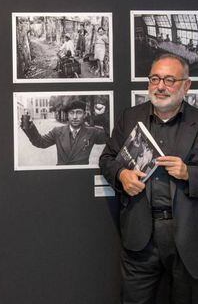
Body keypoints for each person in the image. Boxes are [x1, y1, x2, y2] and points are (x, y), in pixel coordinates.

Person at [99, 53, 198, 303]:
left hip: (187, 235)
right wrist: (121, 175)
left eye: (169, 80)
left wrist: (189, 173)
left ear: (186, 85)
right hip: (140, 233)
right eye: (155, 79)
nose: (160, 86)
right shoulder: (130, 117)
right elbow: (107, 159)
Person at [21, 100, 107, 165]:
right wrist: (28, 127)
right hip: (61, 176)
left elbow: (109, 137)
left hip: (81, 176)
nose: (75, 117)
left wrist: (103, 116)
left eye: (79, 113)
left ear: (84, 114)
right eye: (71, 113)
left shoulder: (92, 132)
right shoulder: (57, 132)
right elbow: (40, 142)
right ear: (67, 115)